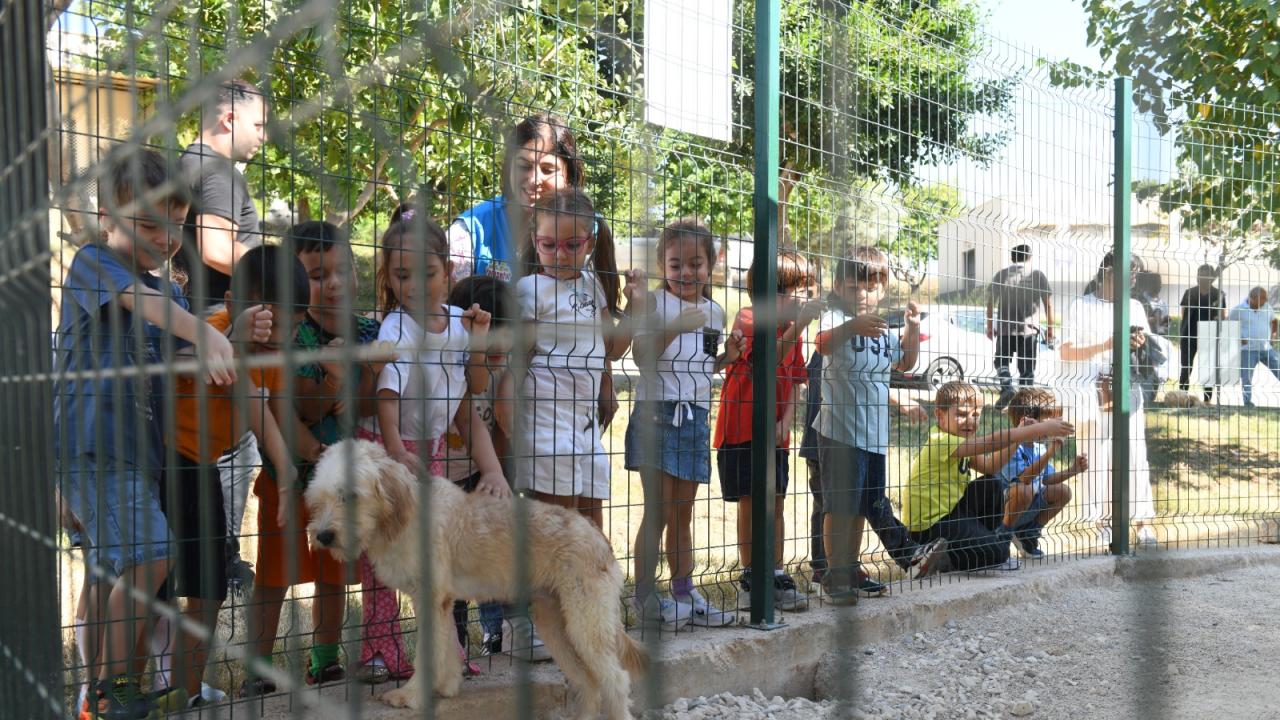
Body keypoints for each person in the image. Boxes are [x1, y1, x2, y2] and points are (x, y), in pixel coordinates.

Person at [56, 149, 235, 720]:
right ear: (107, 215)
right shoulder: (93, 263)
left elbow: (186, 352)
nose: (165, 239)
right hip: (93, 444)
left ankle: (103, 695)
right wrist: (205, 336)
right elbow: (145, 306)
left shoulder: (174, 294)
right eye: (148, 224)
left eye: (175, 225)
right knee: (151, 554)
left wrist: (232, 335)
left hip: (141, 454)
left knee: (120, 566)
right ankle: (110, 688)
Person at [239, 222, 390, 696]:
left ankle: (324, 661)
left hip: (340, 485)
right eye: (318, 274)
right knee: (273, 574)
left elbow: (368, 403)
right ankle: (259, 668)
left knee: (334, 572)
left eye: (342, 270)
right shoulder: (290, 333)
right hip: (287, 477)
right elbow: (289, 406)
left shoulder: (368, 329)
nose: (335, 284)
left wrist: (360, 371)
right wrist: (330, 379)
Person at [162, 245, 307, 709]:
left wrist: (286, 472)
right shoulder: (213, 331)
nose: (276, 344)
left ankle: (182, 696)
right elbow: (186, 369)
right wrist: (237, 339)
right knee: (151, 592)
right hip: (164, 465)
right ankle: (114, 693)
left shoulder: (273, 353)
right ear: (232, 303)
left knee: (208, 592)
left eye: (290, 331)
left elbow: (259, 406)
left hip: (203, 468)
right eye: (268, 330)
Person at [354, 214, 497, 679]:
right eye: (401, 276)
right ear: (388, 279)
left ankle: (444, 653)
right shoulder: (396, 326)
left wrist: (477, 343)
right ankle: (379, 650)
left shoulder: (459, 324)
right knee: (383, 557)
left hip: (427, 449)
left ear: (447, 273)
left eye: (426, 274)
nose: (414, 286)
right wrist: (394, 449)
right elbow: (386, 396)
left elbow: (472, 388)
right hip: (386, 449)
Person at [175, 78, 271, 592]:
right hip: (222, 323)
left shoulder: (189, 162)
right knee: (235, 446)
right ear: (228, 119)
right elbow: (216, 248)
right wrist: (275, 277)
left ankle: (215, 559)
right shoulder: (217, 171)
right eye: (258, 125)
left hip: (207, 325)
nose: (263, 137)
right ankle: (223, 561)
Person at [627, 219, 742, 629]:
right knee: (657, 511)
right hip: (657, 413)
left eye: (696, 264)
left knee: (683, 513)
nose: (686, 273)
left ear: (712, 265)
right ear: (662, 266)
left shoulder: (713, 310)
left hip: (694, 415)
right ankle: (644, 597)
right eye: (676, 265)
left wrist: (726, 355)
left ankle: (683, 591)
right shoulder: (655, 305)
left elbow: (705, 365)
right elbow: (643, 358)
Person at [811, 247, 933, 604]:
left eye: (870, 287)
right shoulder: (834, 318)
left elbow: (906, 364)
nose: (861, 294)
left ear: (882, 290)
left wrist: (912, 328)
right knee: (839, 506)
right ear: (837, 286)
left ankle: (850, 568)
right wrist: (851, 327)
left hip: (873, 435)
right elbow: (821, 344)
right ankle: (834, 575)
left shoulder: (883, 332)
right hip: (839, 432)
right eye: (852, 287)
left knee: (863, 506)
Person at [713, 250, 822, 612]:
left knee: (775, 502)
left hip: (775, 433)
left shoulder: (793, 329)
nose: (804, 296)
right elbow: (770, 359)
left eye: (807, 287)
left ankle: (774, 572)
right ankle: (750, 576)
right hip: (742, 430)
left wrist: (786, 421)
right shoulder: (749, 318)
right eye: (795, 289)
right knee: (751, 503)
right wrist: (800, 325)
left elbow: (794, 379)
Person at [905, 381, 1074, 578]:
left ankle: (973, 548)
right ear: (940, 416)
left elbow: (990, 467)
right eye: (961, 414)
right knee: (1000, 554)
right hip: (930, 527)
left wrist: (1019, 437)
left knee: (990, 483)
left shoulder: (960, 441)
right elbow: (992, 441)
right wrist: (1034, 430)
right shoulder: (941, 441)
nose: (969, 421)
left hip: (951, 514)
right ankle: (940, 555)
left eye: (975, 415)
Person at [1059, 251, 1158, 547]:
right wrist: (1106, 344)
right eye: (1130, 271)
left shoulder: (1135, 307)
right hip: (1093, 391)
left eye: (1136, 273)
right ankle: (1102, 524)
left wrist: (1138, 344)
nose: (1134, 278)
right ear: (1109, 270)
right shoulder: (1082, 305)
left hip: (1128, 388)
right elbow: (1066, 351)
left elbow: (1147, 351)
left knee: (1135, 454)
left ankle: (1142, 523)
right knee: (1097, 455)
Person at [442, 275, 516, 657]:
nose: (499, 354)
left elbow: (502, 435)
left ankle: (495, 633)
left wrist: (499, 476)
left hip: (481, 475)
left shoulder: (503, 371)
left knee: (487, 555)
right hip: (445, 474)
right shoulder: (453, 362)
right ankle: (454, 639)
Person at [996, 388, 1087, 558]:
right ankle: (1003, 536)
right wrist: (1051, 452)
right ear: (1028, 420)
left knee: (1063, 491)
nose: (1054, 428)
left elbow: (1046, 480)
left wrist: (1072, 470)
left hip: (1027, 506)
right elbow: (1024, 478)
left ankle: (1028, 533)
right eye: (1049, 423)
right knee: (1023, 490)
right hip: (1003, 513)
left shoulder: (1039, 447)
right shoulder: (1011, 446)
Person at [986, 244, 1054, 409]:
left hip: (1005, 329)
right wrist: (1050, 328)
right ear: (1030, 257)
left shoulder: (1001, 275)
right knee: (1027, 369)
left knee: (1001, 362)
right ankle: (1024, 403)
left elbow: (989, 302)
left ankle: (1007, 387)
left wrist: (990, 325)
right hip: (1029, 331)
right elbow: (1048, 304)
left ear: (1012, 258)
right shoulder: (1037, 276)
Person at [1178, 264, 1226, 402]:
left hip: (1209, 335)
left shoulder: (1218, 294)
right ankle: (1182, 396)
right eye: (1199, 275)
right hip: (1189, 334)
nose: (1201, 278)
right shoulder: (1190, 292)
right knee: (1186, 366)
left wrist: (1217, 320)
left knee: (1208, 368)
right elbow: (1183, 313)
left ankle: (1207, 400)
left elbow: (1223, 315)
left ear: (1211, 278)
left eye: (1205, 276)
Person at [1230, 287, 1279, 407]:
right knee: (1246, 378)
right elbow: (1229, 325)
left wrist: (1272, 336)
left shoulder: (1267, 307)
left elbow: (1274, 321)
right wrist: (1240, 338)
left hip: (1266, 348)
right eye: (1263, 298)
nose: (1266, 301)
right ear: (1252, 298)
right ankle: (1248, 403)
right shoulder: (1238, 310)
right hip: (1248, 351)